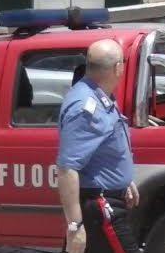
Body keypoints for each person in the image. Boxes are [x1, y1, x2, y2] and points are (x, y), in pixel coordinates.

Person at [57, 39, 140, 253]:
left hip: (107, 199)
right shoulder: (86, 107)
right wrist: (75, 227)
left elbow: (105, 145)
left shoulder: (100, 95)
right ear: (117, 67)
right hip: (100, 205)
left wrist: (124, 180)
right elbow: (67, 168)